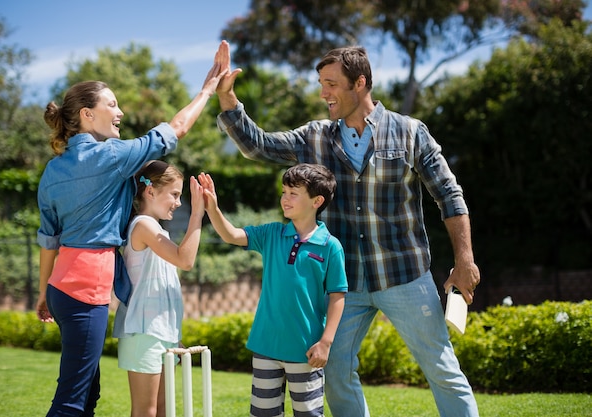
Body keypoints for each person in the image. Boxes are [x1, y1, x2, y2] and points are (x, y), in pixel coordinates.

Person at [214, 41, 481, 417]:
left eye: (332, 84)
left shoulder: (410, 132)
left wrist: (464, 259)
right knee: (336, 373)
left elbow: (449, 195)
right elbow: (259, 146)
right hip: (345, 284)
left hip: (404, 273)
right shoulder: (315, 137)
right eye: (321, 83)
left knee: (441, 367)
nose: (324, 93)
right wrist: (229, 101)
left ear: (360, 83)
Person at [35, 42, 227, 417]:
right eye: (112, 104)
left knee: (86, 394)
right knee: (73, 399)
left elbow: (49, 240)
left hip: (62, 287)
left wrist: (44, 293)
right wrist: (207, 90)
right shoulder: (111, 157)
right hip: (86, 288)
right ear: (88, 114)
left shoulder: (53, 170)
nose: (120, 112)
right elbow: (178, 128)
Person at [198, 164, 348, 417]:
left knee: (308, 414)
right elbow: (231, 235)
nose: (285, 199)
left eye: (293, 193)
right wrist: (212, 208)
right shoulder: (271, 234)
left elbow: (337, 296)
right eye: (284, 192)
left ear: (317, 201)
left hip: (306, 350)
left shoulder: (330, 246)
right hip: (266, 345)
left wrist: (326, 342)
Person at [112, 160, 203, 417]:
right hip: (143, 332)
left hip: (160, 333)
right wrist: (197, 214)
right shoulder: (144, 225)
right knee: (146, 412)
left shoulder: (157, 229)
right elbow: (185, 260)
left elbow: (163, 287)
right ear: (150, 191)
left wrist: (173, 334)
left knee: (163, 409)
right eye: (174, 194)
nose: (179, 202)